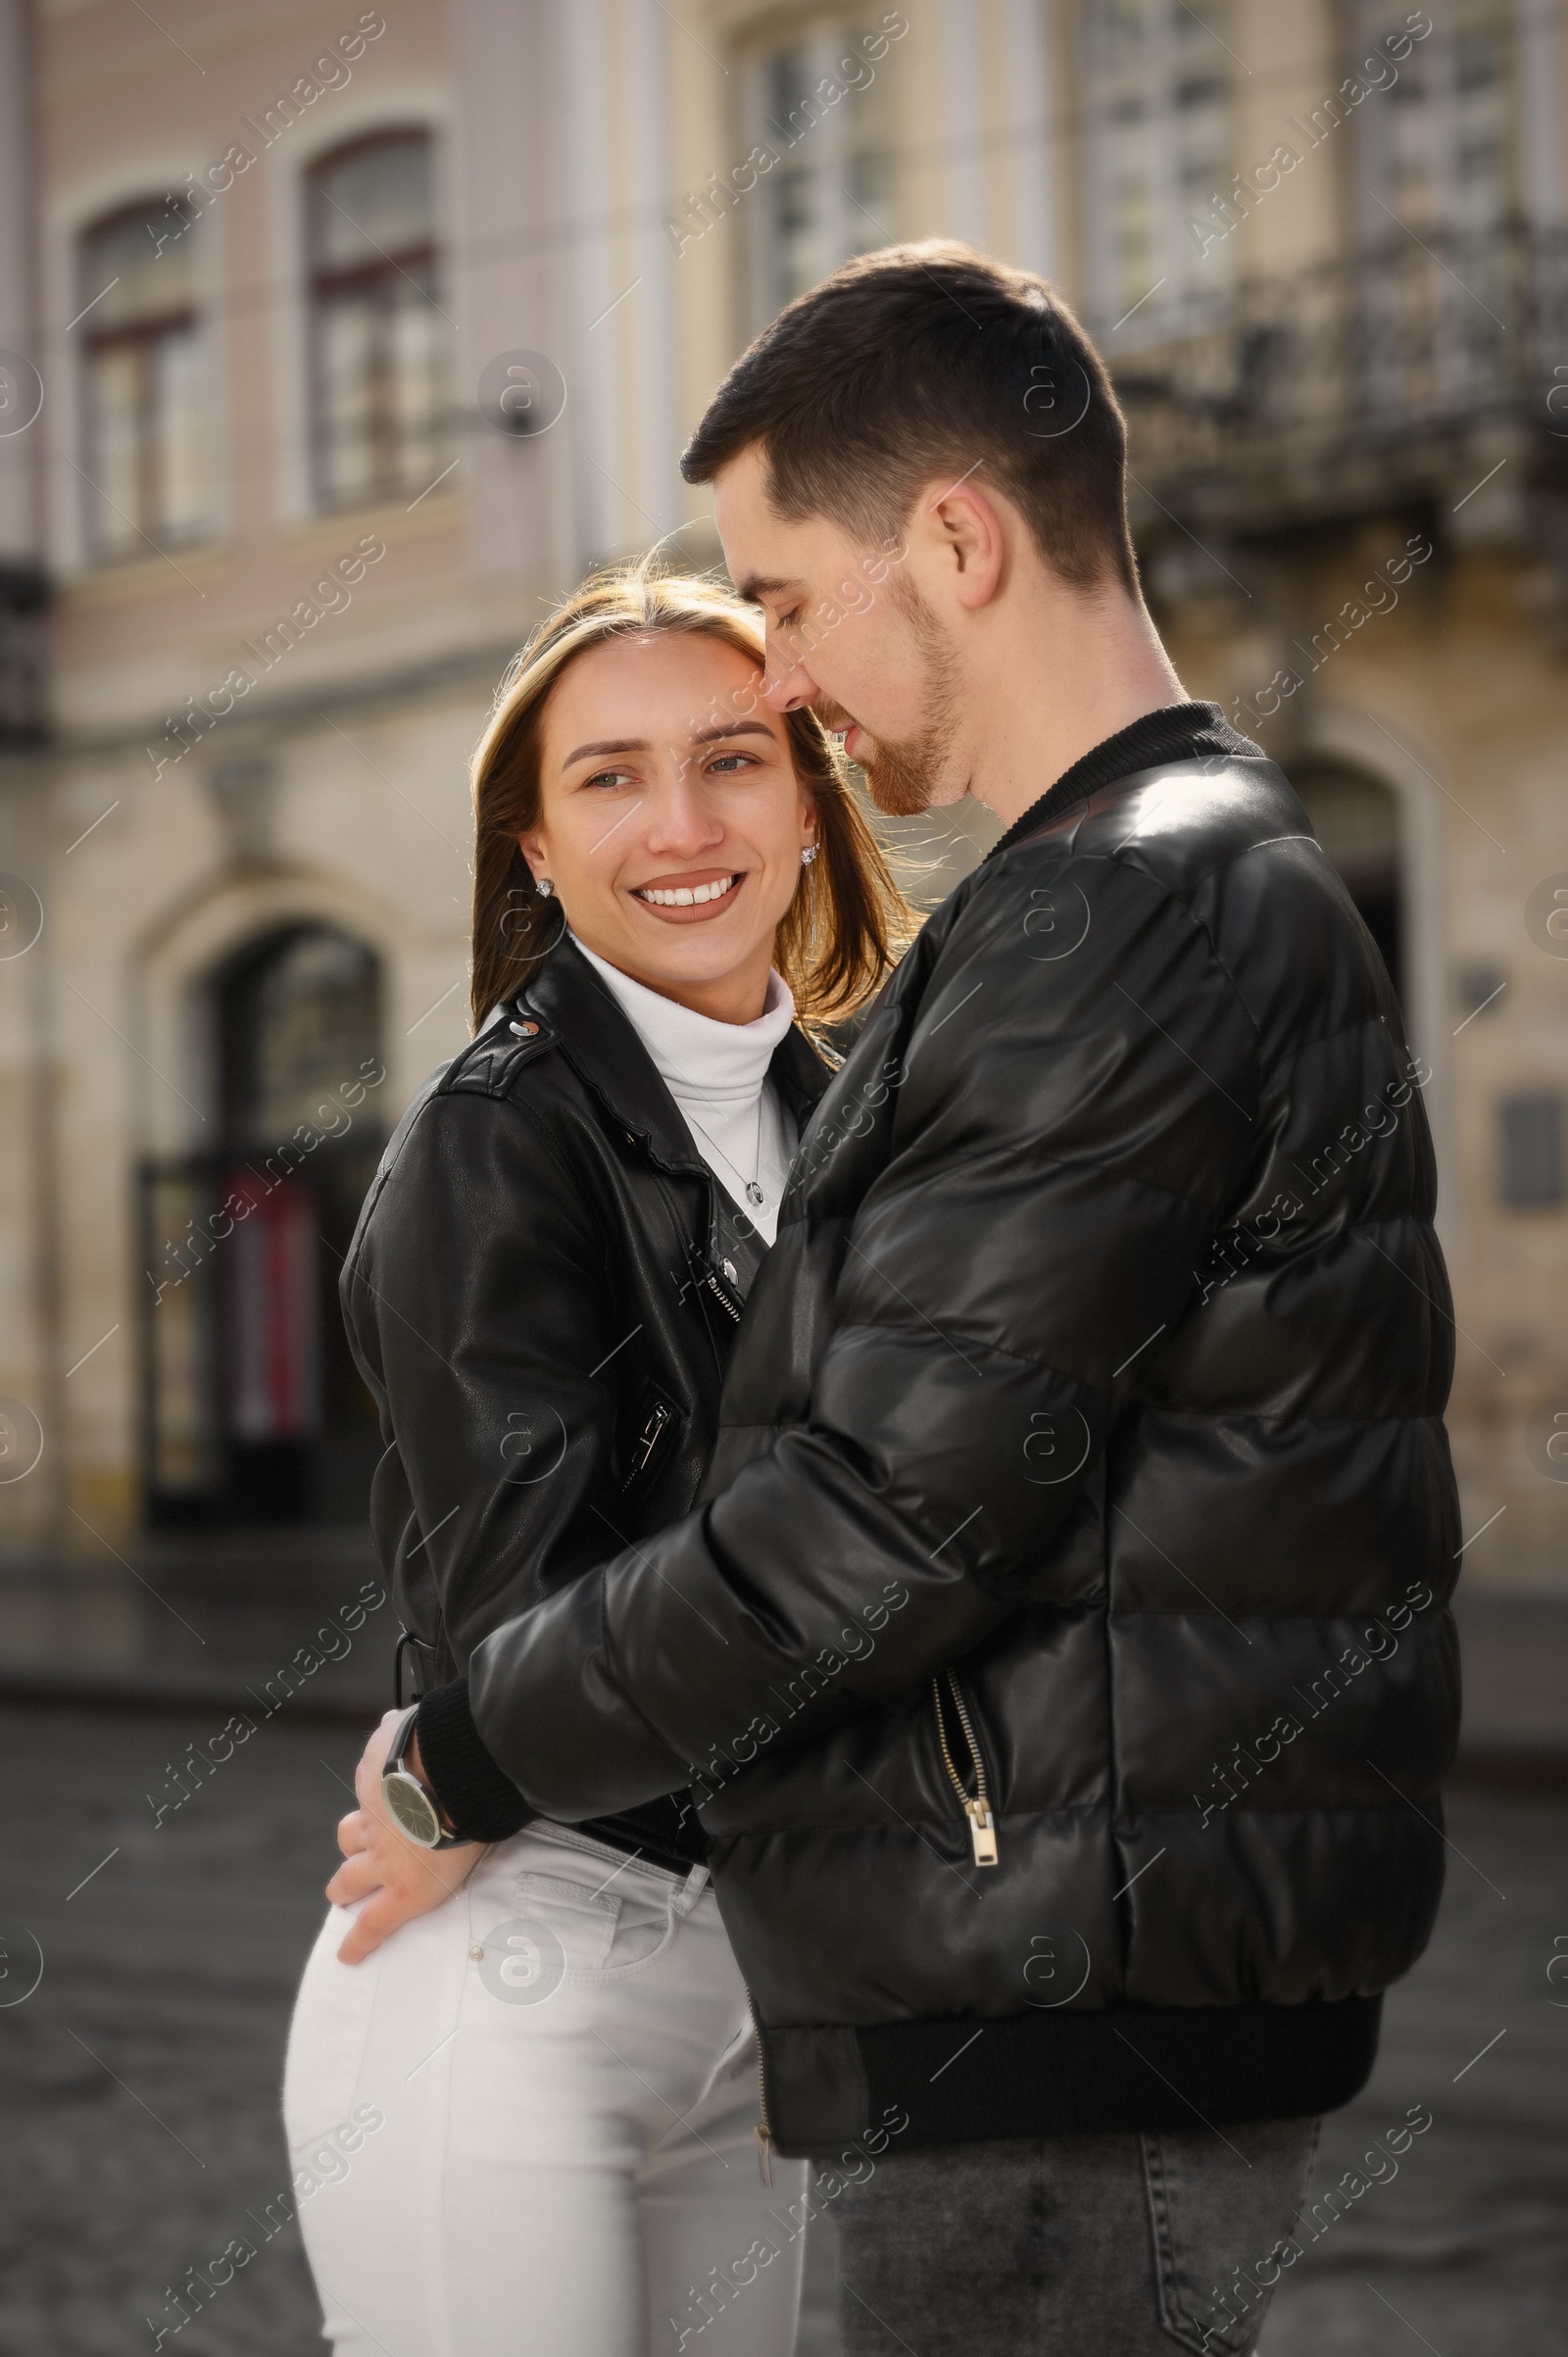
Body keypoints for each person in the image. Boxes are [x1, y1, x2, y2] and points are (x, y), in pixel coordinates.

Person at [345, 245, 1461, 2357]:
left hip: (1047, 2009)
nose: (768, 674)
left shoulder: (1118, 908)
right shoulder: (1135, 886)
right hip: (1046, 1981)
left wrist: (460, 1758)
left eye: (775, 593)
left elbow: (877, 1523)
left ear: (950, 538)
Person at [281, 565, 912, 2357]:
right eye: (611, 777)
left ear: (809, 800)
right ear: (537, 849)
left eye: (733, 758)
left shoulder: (862, 1129)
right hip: (519, 1972)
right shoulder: (502, 1139)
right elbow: (530, 1638)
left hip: (754, 1988)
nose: (685, 823)